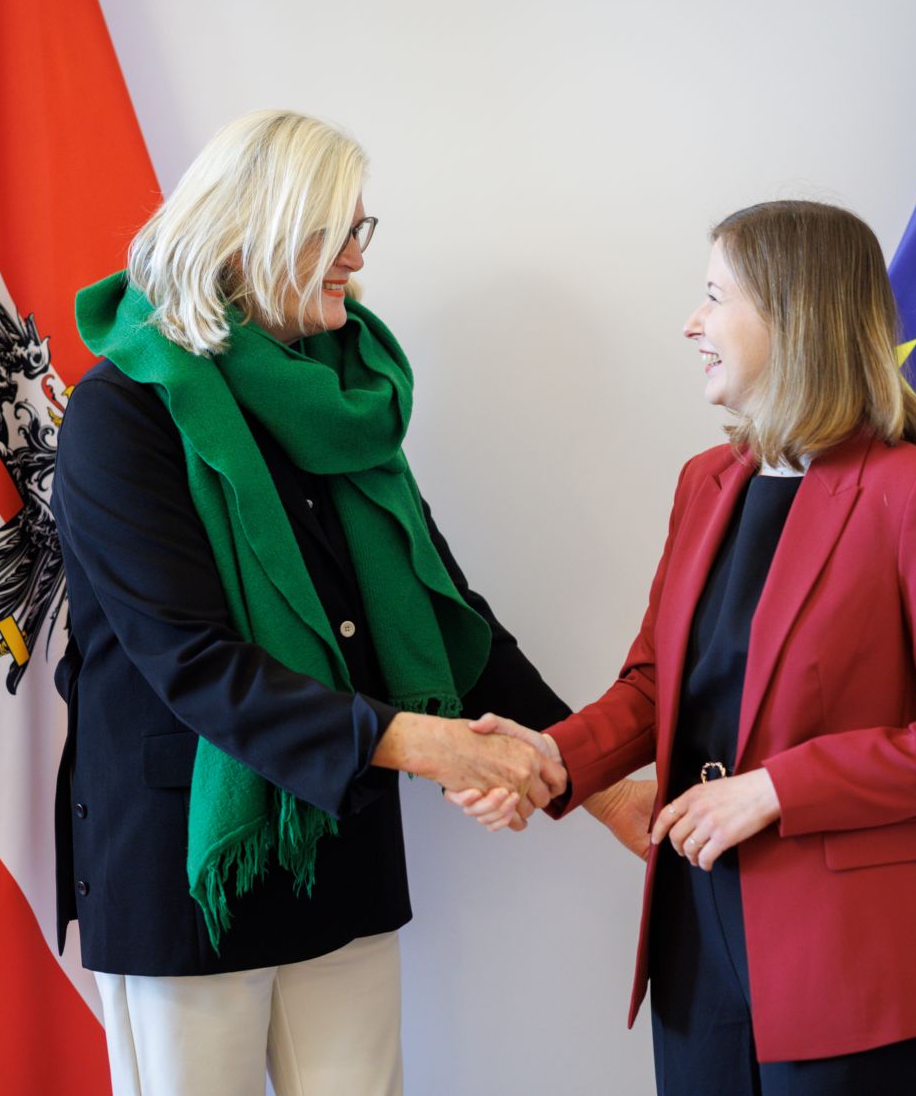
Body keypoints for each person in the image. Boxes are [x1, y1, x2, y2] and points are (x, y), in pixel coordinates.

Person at [51, 109, 646, 1096]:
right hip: (191, 864)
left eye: (362, 232)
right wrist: (427, 743)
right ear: (259, 234)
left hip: (338, 845)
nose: (355, 259)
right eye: (339, 233)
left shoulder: (344, 396)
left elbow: (444, 617)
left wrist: (594, 780)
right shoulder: (122, 413)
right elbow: (195, 666)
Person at [454, 200, 916, 1095]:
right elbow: (654, 686)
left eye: (714, 296)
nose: (692, 322)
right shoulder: (705, 481)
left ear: (794, 314)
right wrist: (550, 759)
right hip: (695, 927)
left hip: (851, 954)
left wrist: (775, 789)